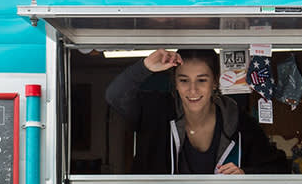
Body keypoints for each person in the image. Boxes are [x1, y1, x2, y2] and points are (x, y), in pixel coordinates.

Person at [106, 48, 289, 175]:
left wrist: (245, 174)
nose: (192, 90)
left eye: (201, 80)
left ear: (215, 82)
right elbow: (115, 96)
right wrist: (145, 66)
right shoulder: (156, 111)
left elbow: (280, 167)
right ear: (175, 83)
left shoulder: (240, 122)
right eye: (184, 80)